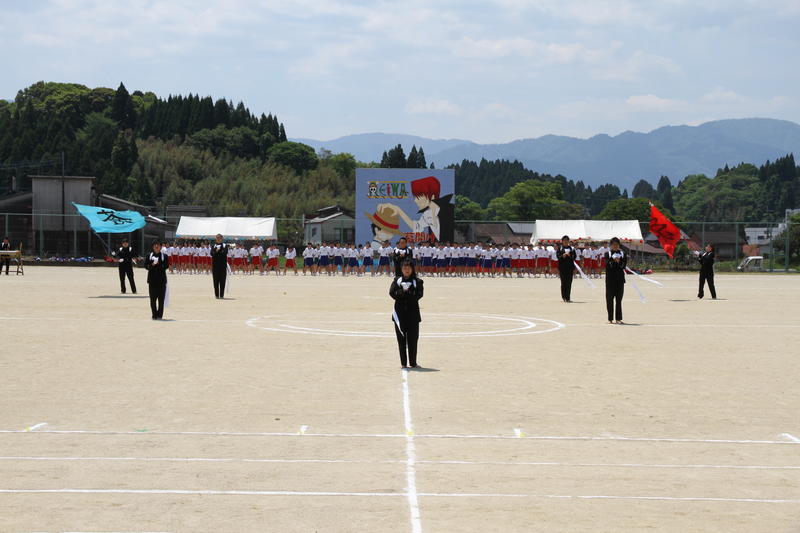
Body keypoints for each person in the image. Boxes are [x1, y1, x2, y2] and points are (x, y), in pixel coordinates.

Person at [390, 259, 424, 369]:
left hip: (413, 316)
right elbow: (392, 293)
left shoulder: (418, 281)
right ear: (401, 269)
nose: (407, 270)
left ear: (412, 269)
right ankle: (403, 363)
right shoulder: (397, 280)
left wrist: (408, 291)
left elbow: (419, 295)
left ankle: (413, 363)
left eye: (409, 268)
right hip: (399, 316)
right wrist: (402, 291)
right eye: (404, 268)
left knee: (413, 340)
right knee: (401, 340)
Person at [605, 237, 627, 324]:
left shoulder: (623, 253)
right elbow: (607, 265)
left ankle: (618, 318)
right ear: (611, 245)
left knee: (619, 300)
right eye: (614, 244)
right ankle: (610, 319)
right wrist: (614, 261)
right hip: (610, 280)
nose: (615, 246)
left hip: (620, 280)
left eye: (617, 244)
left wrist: (619, 261)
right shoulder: (608, 254)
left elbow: (624, 265)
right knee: (609, 300)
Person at [145, 241, 168, 320]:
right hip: (152, 281)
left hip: (161, 281)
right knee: (152, 299)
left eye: (158, 245)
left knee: (161, 300)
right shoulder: (149, 255)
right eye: (155, 245)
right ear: (153, 247)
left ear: (161, 247)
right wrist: (152, 264)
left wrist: (159, 263)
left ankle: (159, 315)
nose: (156, 246)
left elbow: (166, 266)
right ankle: (154, 315)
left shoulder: (164, 256)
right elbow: (146, 266)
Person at [556, 235, 577, 302]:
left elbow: (574, 257)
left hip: (570, 268)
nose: (565, 241)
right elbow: (558, 257)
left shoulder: (572, 249)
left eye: (567, 240)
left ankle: (568, 297)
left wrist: (570, 255)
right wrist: (563, 256)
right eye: (564, 240)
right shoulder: (560, 248)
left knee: (569, 283)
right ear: (562, 241)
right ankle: (564, 297)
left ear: (568, 241)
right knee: (563, 282)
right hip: (562, 268)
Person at [211, 234, 229, 299]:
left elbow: (225, 253)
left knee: (222, 281)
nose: (218, 239)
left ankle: (221, 295)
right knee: (215, 281)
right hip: (215, 266)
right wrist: (216, 251)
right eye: (217, 238)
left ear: (221, 239)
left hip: (223, 266)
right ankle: (216, 295)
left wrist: (220, 250)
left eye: (219, 238)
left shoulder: (225, 245)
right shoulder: (213, 246)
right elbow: (211, 253)